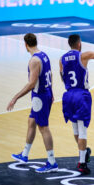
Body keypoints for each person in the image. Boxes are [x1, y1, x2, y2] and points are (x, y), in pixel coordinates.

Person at [59, 31, 94, 175]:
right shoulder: (83, 55)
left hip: (68, 94)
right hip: (81, 95)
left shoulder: (62, 58)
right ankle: (82, 163)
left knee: (76, 130)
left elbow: (62, 76)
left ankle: (84, 152)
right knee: (82, 131)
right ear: (79, 43)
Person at [7, 33, 58, 173]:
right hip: (45, 93)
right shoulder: (44, 55)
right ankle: (24, 154)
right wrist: (52, 92)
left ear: (26, 45)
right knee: (31, 122)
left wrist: (15, 97)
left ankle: (52, 161)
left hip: (39, 97)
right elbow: (51, 74)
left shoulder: (34, 61)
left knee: (43, 127)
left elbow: (31, 84)